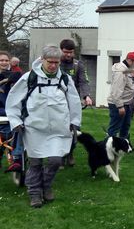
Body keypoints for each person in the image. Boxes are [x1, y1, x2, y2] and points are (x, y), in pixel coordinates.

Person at [5, 45, 82, 208]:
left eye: (56, 62)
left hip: (58, 129)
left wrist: (75, 122)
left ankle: (46, 185)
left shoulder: (65, 79)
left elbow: (74, 102)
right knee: (35, 163)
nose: (53, 66)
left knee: (55, 161)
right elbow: (13, 100)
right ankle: (34, 193)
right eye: (50, 62)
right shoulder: (29, 78)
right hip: (34, 129)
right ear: (42, 60)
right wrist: (16, 121)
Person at [59, 39, 93, 167]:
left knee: (74, 130)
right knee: (60, 130)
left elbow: (83, 81)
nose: (68, 55)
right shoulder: (54, 64)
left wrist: (86, 96)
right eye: (66, 52)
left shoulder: (78, 65)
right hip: (57, 104)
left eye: (71, 52)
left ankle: (70, 152)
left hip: (73, 103)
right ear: (61, 50)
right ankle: (60, 157)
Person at [107, 51, 134, 140]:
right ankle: (109, 147)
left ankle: (123, 146)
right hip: (119, 104)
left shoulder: (127, 69)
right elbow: (116, 90)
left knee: (125, 127)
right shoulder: (121, 71)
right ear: (131, 61)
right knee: (115, 127)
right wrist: (120, 106)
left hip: (126, 103)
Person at [0, 51, 24, 171]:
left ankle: (17, 158)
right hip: (2, 112)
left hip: (13, 111)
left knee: (19, 129)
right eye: (1, 60)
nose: (4, 62)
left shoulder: (16, 75)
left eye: (6, 60)